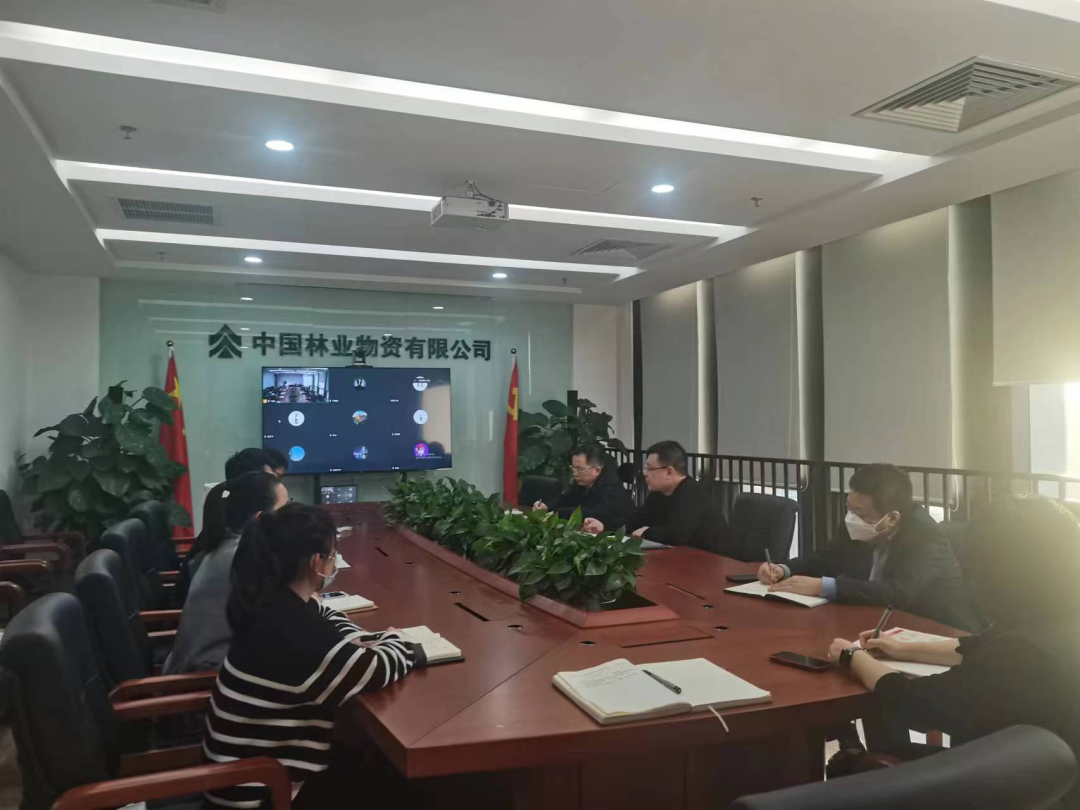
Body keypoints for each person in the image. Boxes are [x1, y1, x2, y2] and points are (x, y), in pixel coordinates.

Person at [827, 495, 1080, 807]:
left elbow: (914, 703)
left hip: (1007, 790)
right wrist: (902, 648)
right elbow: (977, 645)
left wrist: (852, 657)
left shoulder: (1018, 656)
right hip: (1048, 781)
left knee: (852, 768)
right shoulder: (1051, 620)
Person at [203, 503, 424, 809]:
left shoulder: (272, 604)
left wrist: (357, 637)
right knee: (399, 786)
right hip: (265, 796)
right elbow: (378, 667)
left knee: (366, 760)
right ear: (316, 562)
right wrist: (396, 639)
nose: (334, 564)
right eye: (333, 556)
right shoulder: (301, 635)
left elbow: (322, 613)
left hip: (240, 778)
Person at [758, 463, 979, 631]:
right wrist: (783, 569)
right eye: (849, 508)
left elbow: (897, 593)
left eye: (861, 513)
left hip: (941, 631)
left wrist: (823, 586)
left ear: (892, 518)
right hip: (879, 625)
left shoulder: (925, 537)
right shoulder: (858, 522)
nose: (852, 518)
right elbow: (826, 559)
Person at [165, 472, 288, 674]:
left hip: (203, 663)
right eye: (285, 509)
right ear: (260, 518)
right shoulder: (244, 555)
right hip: (204, 677)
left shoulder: (229, 543)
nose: (290, 517)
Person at [583, 440, 730, 553]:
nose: (644, 473)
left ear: (669, 472)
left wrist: (646, 531)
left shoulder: (692, 494)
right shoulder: (659, 493)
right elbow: (636, 518)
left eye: (650, 468)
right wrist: (604, 527)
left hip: (712, 561)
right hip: (681, 558)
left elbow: (677, 535)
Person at [532, 442, 633, 528]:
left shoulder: (611, 487)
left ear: (596, 470)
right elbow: (567, 498)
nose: (575, 474)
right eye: (573, 468)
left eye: (580, 469)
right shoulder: (583, 480)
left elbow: (593, 513)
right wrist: (547, 506)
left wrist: (556, 513)